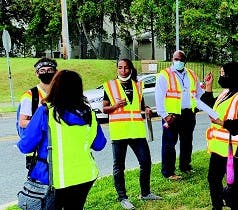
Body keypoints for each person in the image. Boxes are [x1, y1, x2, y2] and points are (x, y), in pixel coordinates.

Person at [17, 70, 107, 209]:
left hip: (55, 178)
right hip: (85, 175)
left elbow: (25, 146)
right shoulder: (89, 114)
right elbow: (100, 144)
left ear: (55, 87)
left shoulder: (46, 112)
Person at [103, 59, 162, 209]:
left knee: (146, 162)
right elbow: (104, 109)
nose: (123, 71)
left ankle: (145, 193)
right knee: (119, 167)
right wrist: (115, 106)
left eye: (126, 68)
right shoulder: (110, 86)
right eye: (120, 68)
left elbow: (140, 104)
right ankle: (122, 197)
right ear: (117, 69)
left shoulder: (138, 85)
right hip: (119, 132)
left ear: (130, 69)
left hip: (136, 131)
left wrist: (147, 108)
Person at [201, 62, 238, 210]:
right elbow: (213, 106)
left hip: (235, 148)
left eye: (223, 73)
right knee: (213, 178)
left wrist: (221, 122)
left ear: (232, 75)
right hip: (220, 146)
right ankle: (217, 206)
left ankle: (235, 207)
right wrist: (209, 87)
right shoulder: (225, 92)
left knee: (234, 182)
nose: (221, 76)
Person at [155, 50, 204, 180]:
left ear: (185, 61)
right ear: (172, 59)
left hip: (188, 114)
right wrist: (164, 115)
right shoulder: (164, 75)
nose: (178, 62)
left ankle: (185, 166)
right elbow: (159, 97)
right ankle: (168, 172)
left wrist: (196, 107)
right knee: (169, 143)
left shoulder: (192, 74)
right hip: (171, 115)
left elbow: (198, 92)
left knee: (187, 142)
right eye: (176, 59)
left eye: (181, 60)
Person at [17, 58, 57, 171]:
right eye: (42, 70)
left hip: (57, 147)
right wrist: (45, 124)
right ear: (37, 73)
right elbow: (23, 122)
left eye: (50, 70)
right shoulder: (30, 95)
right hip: (37, 151)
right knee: (39, 185)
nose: (46, 73)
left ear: (56, 72)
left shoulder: (59, 93)